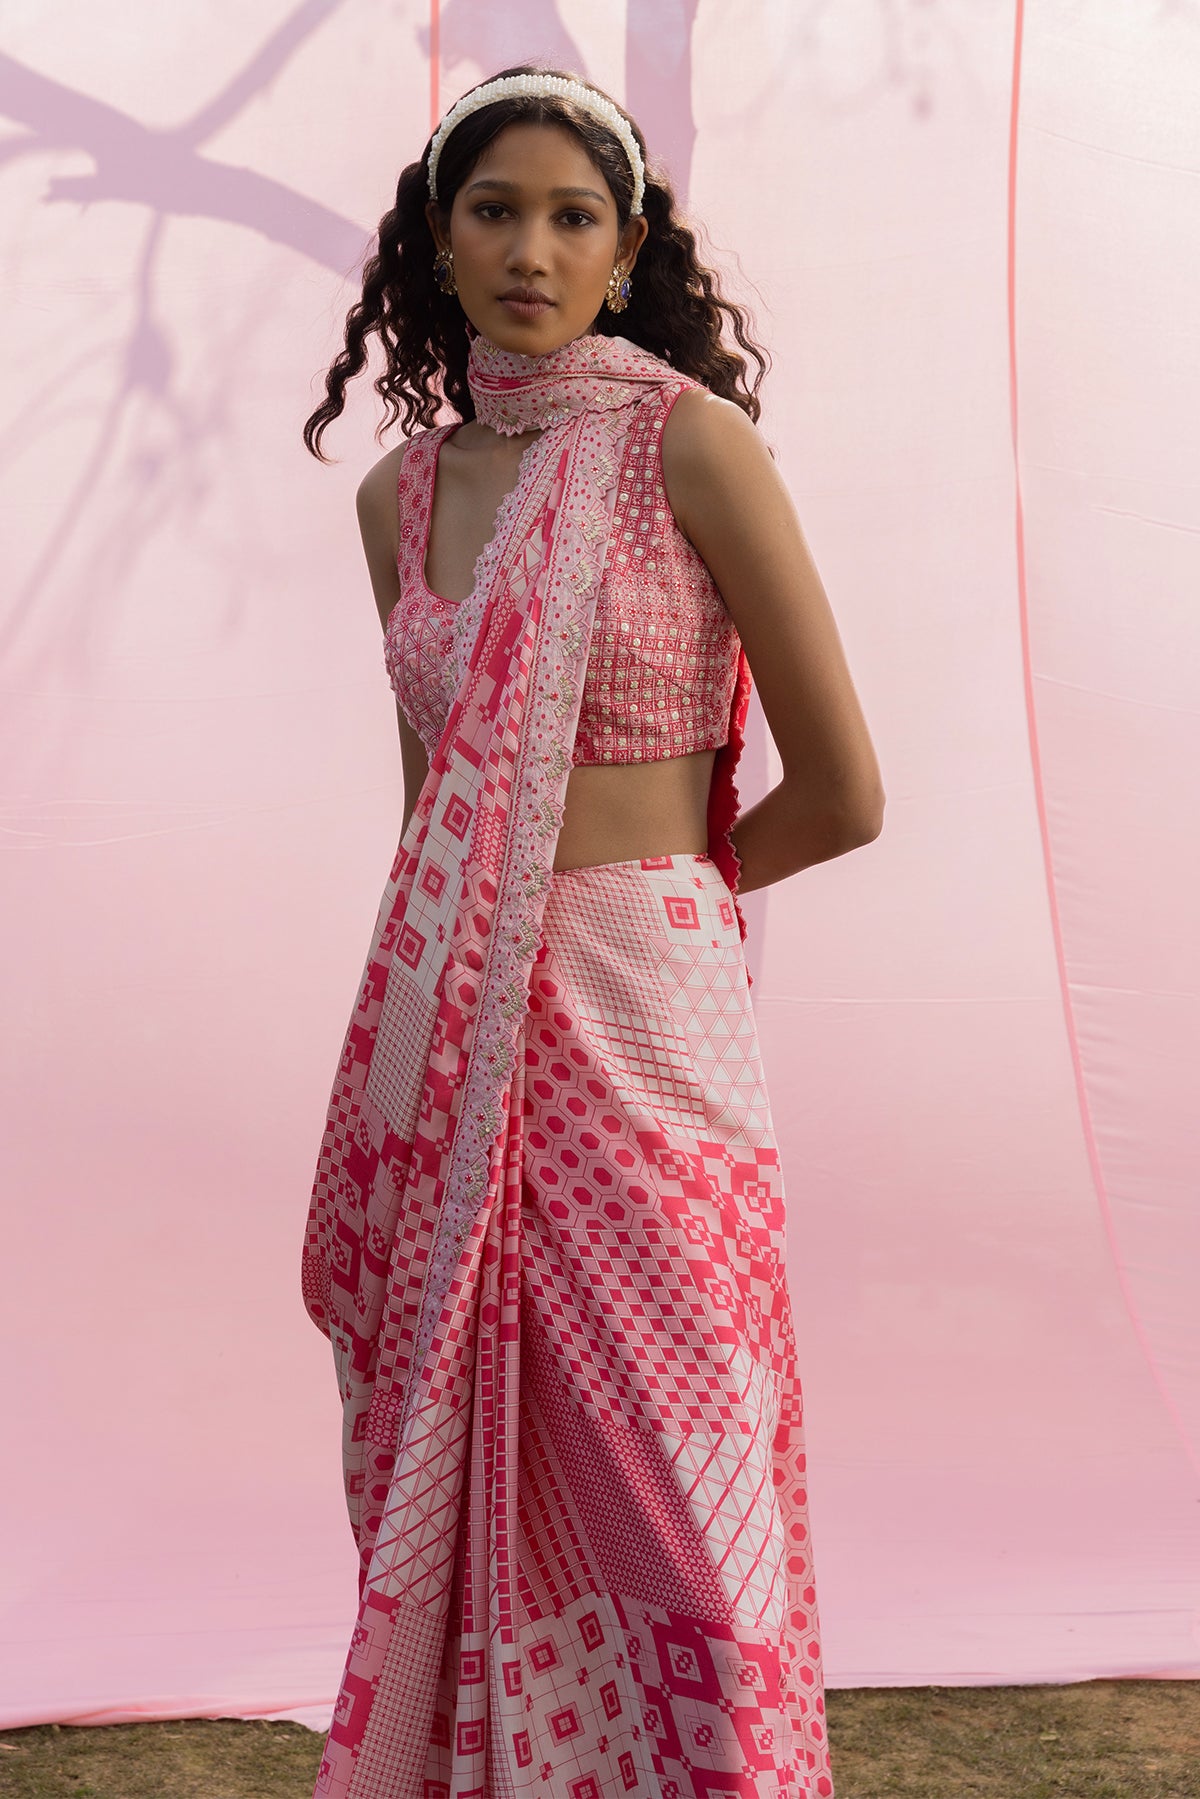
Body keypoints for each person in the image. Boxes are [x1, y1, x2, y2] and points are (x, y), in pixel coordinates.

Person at [300, 63, 882, 1799]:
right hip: (456, 1028)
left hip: (647, 1023)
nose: (530, 252)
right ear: (439, 238)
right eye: (494, 212)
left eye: (572, 218)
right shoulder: (397, 502)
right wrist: (472, 967)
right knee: (484, 1447)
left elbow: (843, 791)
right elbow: (438, 814)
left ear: (628, 251)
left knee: (687, 1474)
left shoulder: (685, 446)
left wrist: (667, 902)